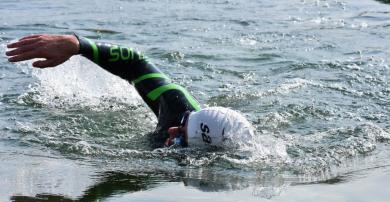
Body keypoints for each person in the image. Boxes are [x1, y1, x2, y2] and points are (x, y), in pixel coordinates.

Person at [6, 34, 254, 148]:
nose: (171, 129)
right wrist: (79, 45)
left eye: (180, 136)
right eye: (183, 123)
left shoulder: (182, 168)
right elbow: (136, 63)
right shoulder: (177, 106)